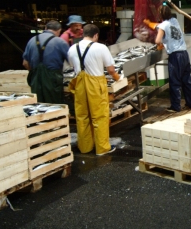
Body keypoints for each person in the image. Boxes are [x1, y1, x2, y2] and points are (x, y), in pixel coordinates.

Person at [67, 24, 120, 156]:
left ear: (83, 34)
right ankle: (102, 148)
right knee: (100, 116)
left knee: (82, 116)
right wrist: (118, 78)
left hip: (79, 84)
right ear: (96, 35)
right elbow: (111, 70)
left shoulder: (73, 48)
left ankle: (85, 147)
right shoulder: (101, 47)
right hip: (95, 84)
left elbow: (72, 66)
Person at [155, 5, 191, 112]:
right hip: (184, 54)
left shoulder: (163, 26)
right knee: (186, 81)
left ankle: (175, 106)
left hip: (175, 56)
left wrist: (160, 43)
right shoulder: (175, 20)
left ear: (160, 14)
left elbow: (157, 40)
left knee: (175, 82)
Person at [22, 20, 69, 103]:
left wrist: (35, 72)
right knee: (55, 104)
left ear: (45, 28)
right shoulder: (60, 42)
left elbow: (25, 63)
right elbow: (71, 61)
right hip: (53, 78)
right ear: (59, 30)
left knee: (39, 104)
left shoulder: (32, 40)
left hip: (35, 78)